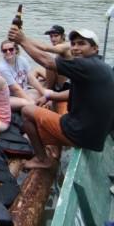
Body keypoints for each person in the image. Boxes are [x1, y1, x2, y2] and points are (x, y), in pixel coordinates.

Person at [8, 27, 114, 169]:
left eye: (82, 44)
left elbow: (48, 62)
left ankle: (42, 159)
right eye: (74, 44)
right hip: (95, 135)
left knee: (27, 111)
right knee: (57, 102)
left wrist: (22, 40)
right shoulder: (101, 66)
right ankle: (54, 146)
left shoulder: (86, 65)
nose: (76, 48)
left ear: (95, 49)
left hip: (81, 134)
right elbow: (72, 92)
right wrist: (51, 95)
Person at [0, 40, 45, 111]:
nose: (8, 52)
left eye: (11, 49)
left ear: (16, 50)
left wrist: (44, 93)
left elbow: (31, 79)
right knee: (28, 103)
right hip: (9, 97)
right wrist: (31, 102)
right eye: (5, 50)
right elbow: (16, 89)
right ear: (2, 52)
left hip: (24, 91)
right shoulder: (2, 67)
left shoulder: (22, 60)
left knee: (49, 95)